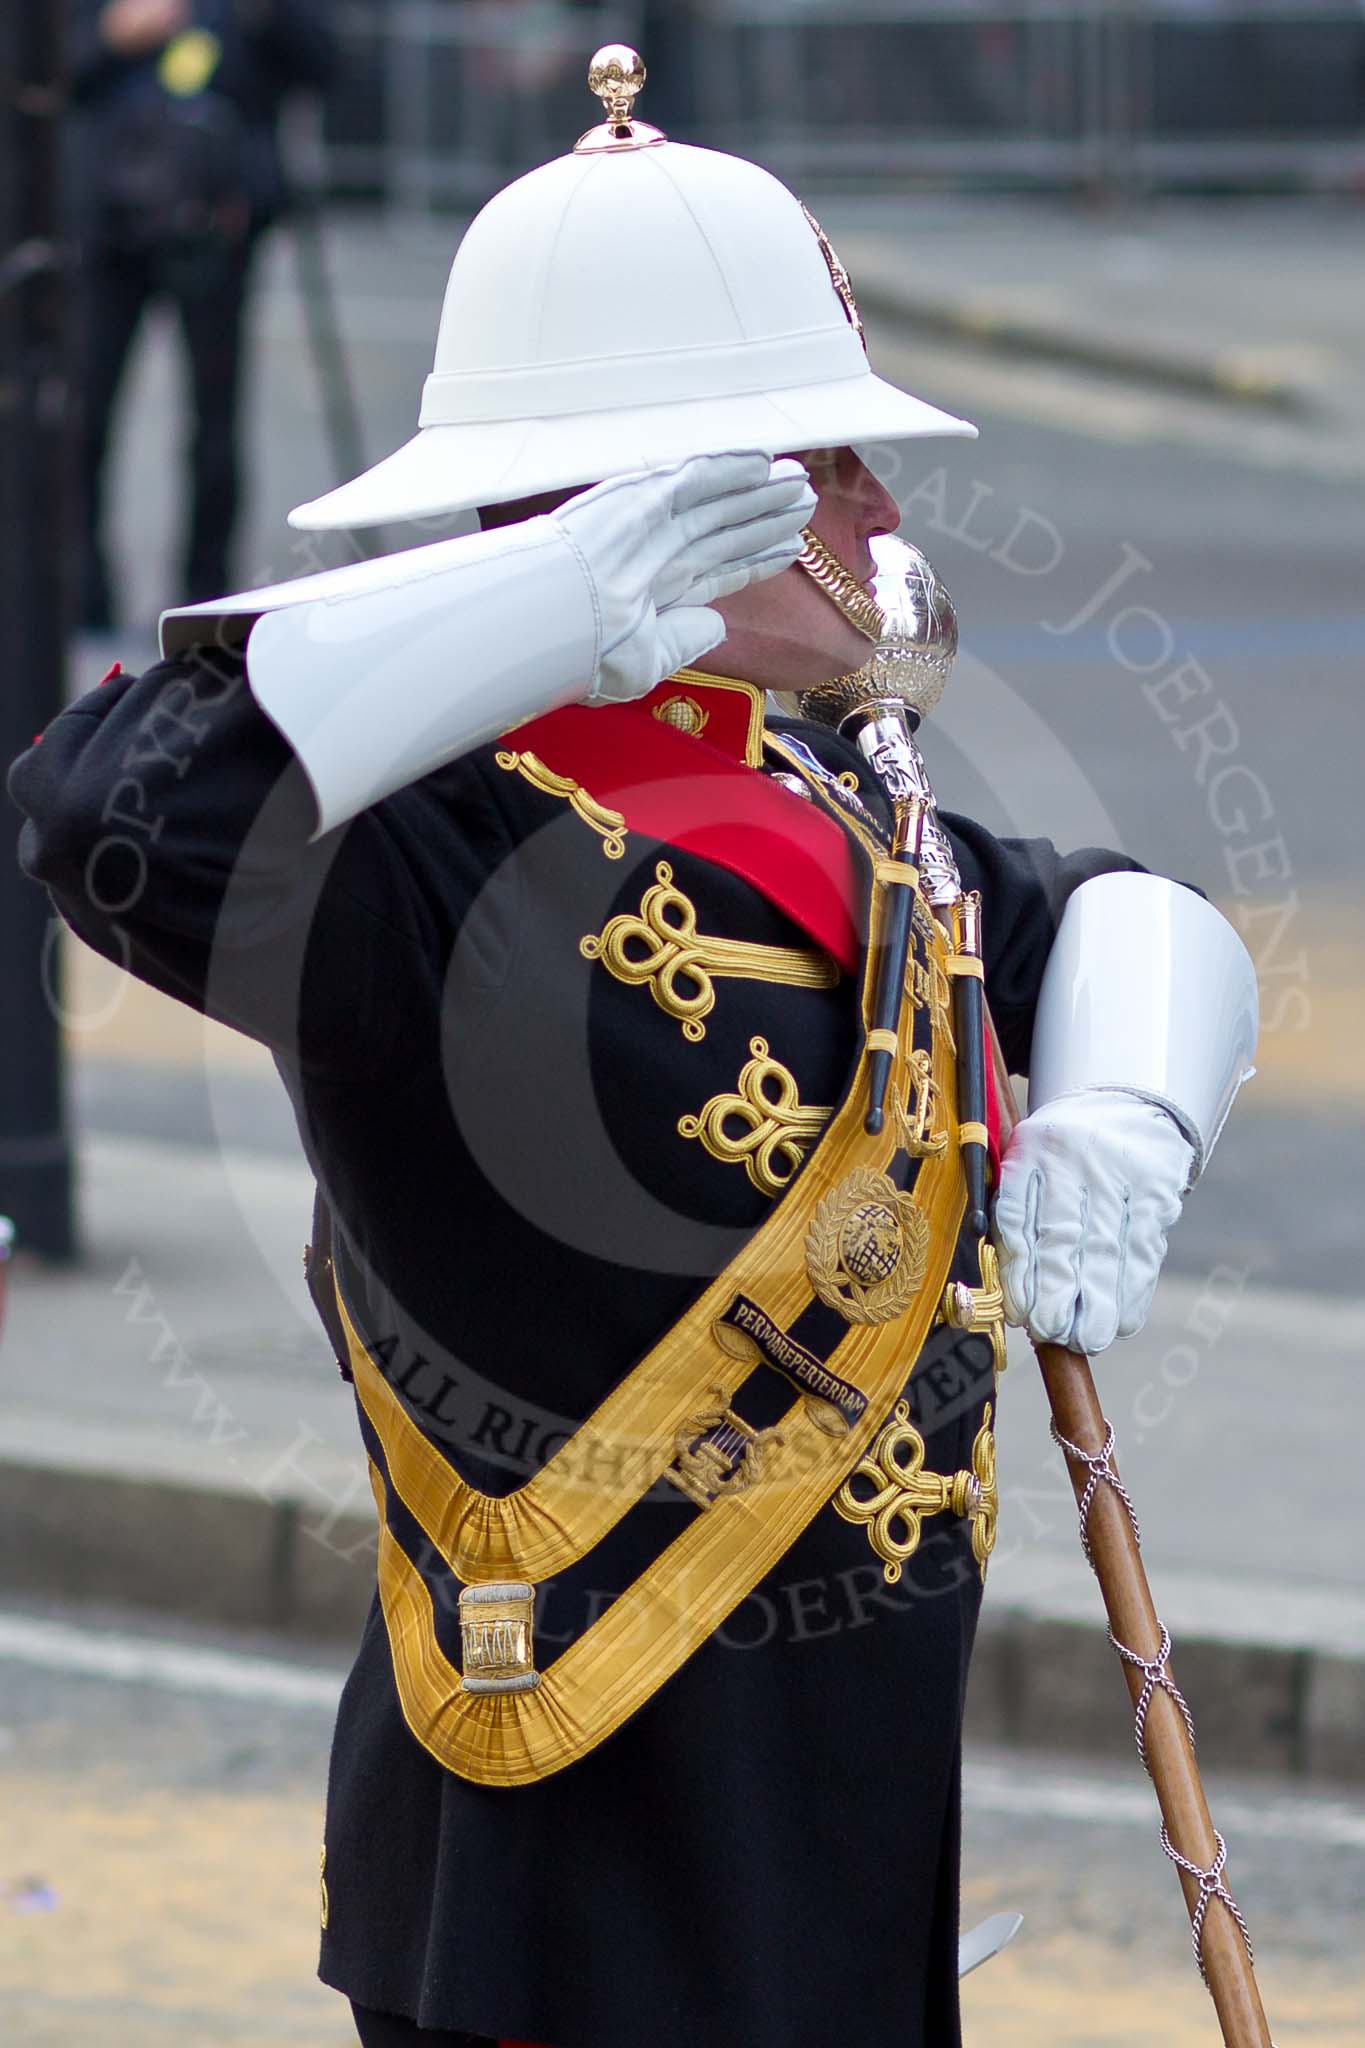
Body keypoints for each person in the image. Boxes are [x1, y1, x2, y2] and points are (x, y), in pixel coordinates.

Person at [11, 48, 1256, 2048]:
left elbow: (1117, 909)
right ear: (660, 494)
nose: (879, 505)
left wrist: (1120, 1097)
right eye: (817, 461)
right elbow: (102, 805)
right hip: (561, 1868)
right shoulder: (421, 844)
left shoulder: (841, 791)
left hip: (839, 1831)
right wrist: (537, 600)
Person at [70, 0, 336, 627]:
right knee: (85, 416)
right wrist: (114, 34)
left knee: (214, 424)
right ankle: (83, 589)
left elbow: (320, 62)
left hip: (218, 226)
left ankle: (204, 594)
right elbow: (53, 74)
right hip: (111, 227)